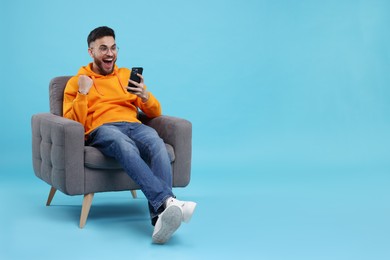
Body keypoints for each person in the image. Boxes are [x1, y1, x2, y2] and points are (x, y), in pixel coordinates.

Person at [63, 26, 196, 244]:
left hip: (133, 124)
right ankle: (169, 201)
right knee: (123, 144)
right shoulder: (77, 81)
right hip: (103, 129)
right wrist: (83, 93)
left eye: (113, 48)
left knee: (156, 141)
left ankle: (160, 219)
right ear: (91, 52)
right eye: (103, 48)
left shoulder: (125, 75)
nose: (110, 54)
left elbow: (155, 113)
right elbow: (74, 122)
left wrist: (145, 96)